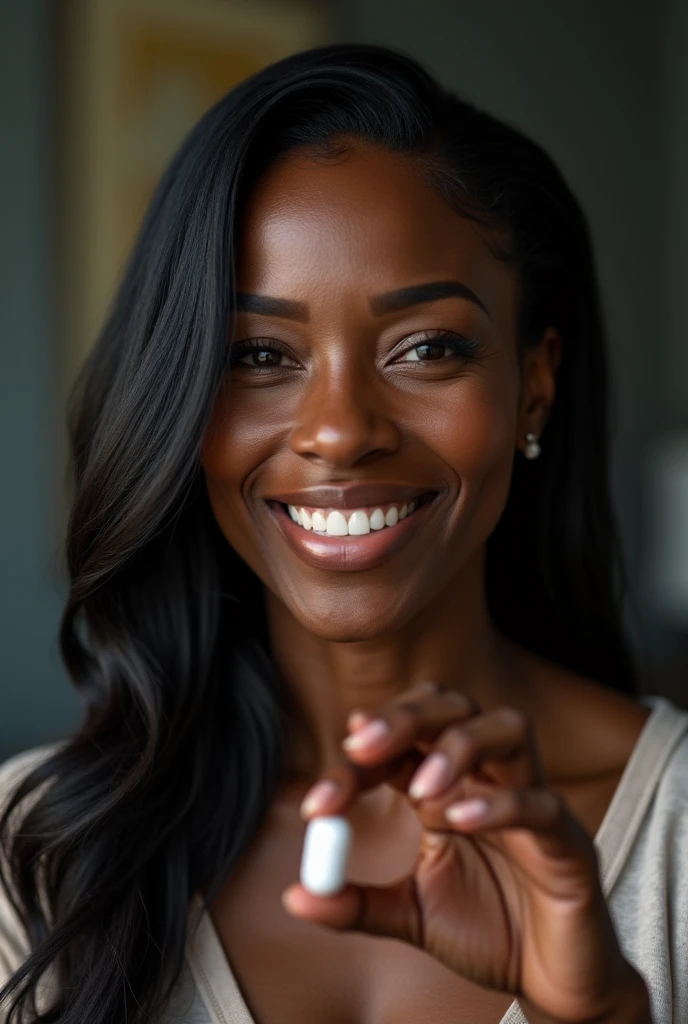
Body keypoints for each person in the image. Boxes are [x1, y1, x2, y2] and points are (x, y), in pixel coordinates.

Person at [0, 42, 686, 1024]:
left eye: (427, 347)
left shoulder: (677, 839)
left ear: (534, 379)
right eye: (259, 355)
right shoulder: (36, 854)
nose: (338, 428)